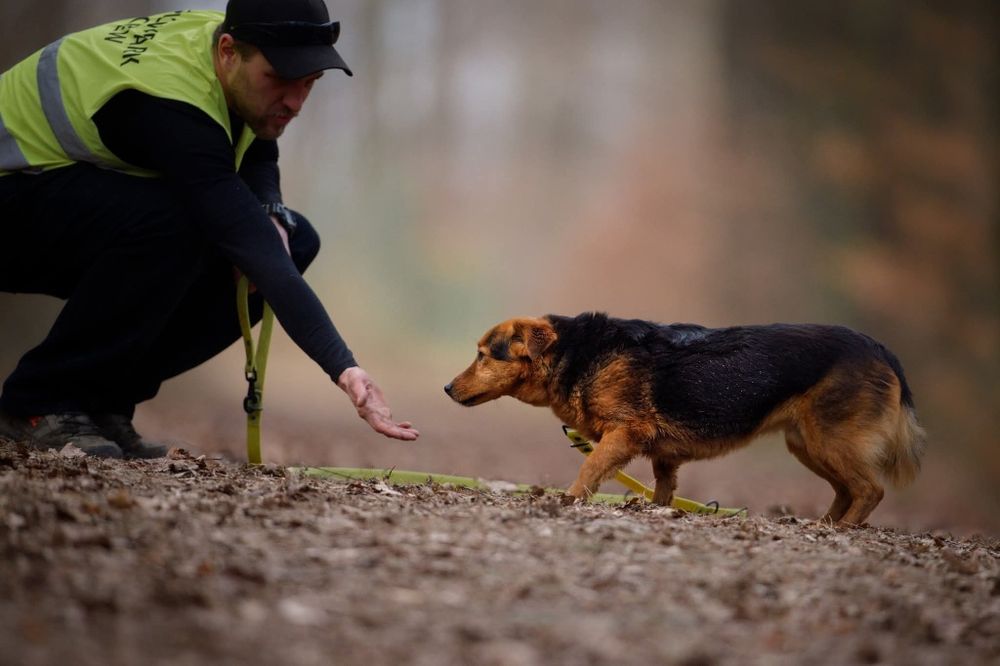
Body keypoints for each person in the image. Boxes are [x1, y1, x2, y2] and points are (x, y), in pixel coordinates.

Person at [0, 0, 419, 458]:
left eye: (309, 83)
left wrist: (272, 211)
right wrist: (345, 368)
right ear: (228, 51)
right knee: (183, 221)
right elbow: (246, 239)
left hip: (50, 195)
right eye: (280, 80)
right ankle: (39, 401)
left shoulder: (231, 51)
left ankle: (100, 400)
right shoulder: (169, 105)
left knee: (293, 239)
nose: (295, 102)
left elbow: (258, 143)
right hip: (12, 195)